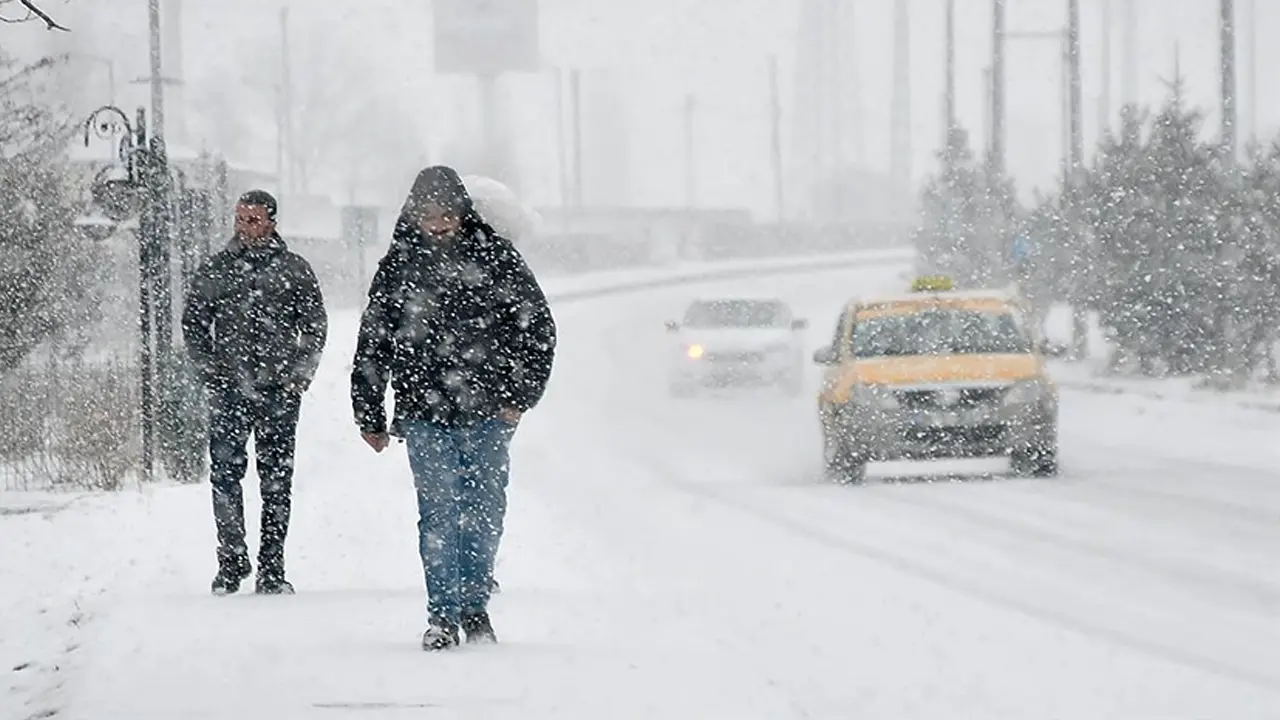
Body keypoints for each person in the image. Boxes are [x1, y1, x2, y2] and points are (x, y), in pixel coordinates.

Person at [351, 166, 556, 650]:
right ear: (414, 214)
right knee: (440, 512)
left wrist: (518, 397)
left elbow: (537, 331)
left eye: (447, 214)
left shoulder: (496, 259)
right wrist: (369, 412)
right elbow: (374, 341)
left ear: (463, 213)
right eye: (430, 215)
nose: (439, 224)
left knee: (484, 511)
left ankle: (474, 606)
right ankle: (442, 615)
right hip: (425, 413)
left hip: (488, 412)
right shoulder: (399, 266)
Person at [182, 189, 328, 596]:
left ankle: (272, 568)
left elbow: (315, 326)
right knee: (225, 476)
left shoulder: (294, 270)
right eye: (240, 218)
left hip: (278, 392)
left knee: (276, 480)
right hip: (229, 390)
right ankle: (231, 560)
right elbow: (194, 323)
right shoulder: (216, 270)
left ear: (271, 222)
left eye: (253, 220)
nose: (244, 227)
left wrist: (298, 377)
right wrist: (210, 371)